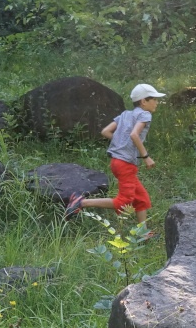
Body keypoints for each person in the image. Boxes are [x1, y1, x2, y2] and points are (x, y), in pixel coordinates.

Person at [65, 83, 165, 232]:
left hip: (116, 162)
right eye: (154, 99)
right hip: (125, 164)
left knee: (142, 198)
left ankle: (142, 233)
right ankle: (81, 203)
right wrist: (146, 157)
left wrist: (121, 144)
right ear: (144, 101)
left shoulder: (125, 115)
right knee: (124, 201)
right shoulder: (145, 114)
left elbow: (105, 131)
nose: (157, 102)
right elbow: (134, 135)